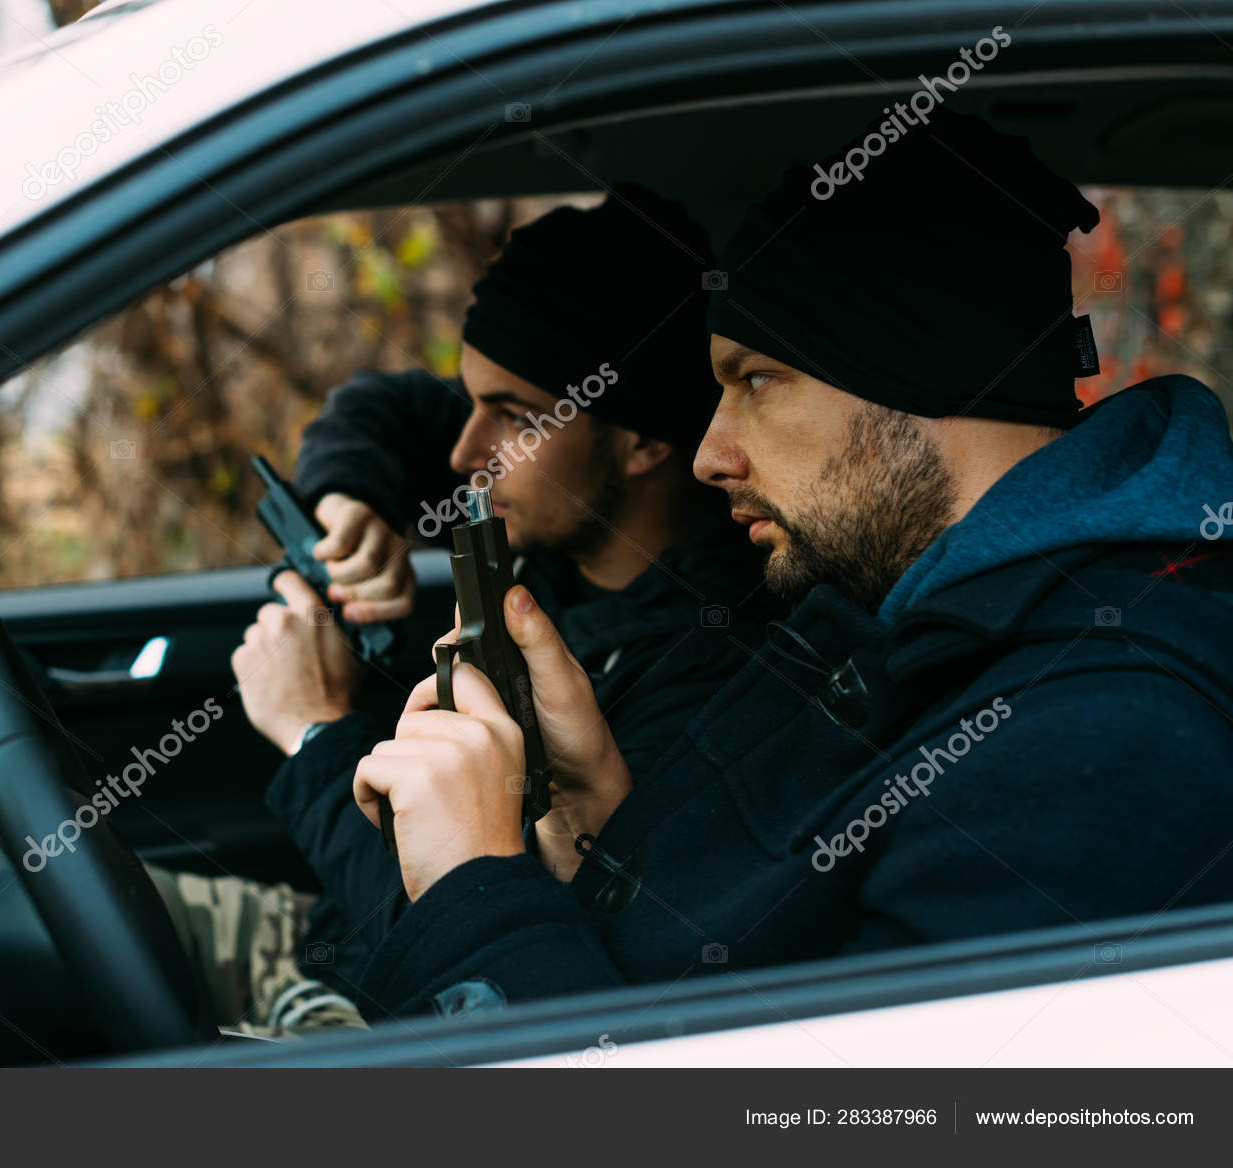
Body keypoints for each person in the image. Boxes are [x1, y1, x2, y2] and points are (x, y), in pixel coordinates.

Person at [348, 110, 1233, 1022]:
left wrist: (475, 894)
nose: (709, 454)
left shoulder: (1100, 748)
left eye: (756, 380)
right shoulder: (900, 619)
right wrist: (594, 821)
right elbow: (744, 994)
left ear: (920, 378)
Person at [149, 186, 780, 1035]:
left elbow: (456, 930)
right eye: (470, 397)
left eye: (511, 414)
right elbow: (386, 409)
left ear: (645, 441)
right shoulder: (554, 496)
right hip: (323, 935)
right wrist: (351, 504)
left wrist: (311, 732)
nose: (462, 452)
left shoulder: (710, 674)